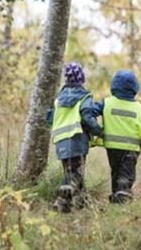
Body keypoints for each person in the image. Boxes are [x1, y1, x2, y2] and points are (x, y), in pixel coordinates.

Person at [47, 62, 103, 213]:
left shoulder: (58, 100)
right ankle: (60, 201)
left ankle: (80, 204)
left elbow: (50, 119)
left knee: (71, 172)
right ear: (81, 79)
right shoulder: (84, 97)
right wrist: (99, 131)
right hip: (77, 141)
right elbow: (87, 117)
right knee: (75, 175)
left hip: (60, 143)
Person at [94, 70, 141, 204]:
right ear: (134, 88)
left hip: (112, 146)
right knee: (127, 172)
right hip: (131, 146)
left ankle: (116, 195)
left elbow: (92, 110)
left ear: (114, 86)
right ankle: (123, 190)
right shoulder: (139, 107)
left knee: (116, 170)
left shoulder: (107, 103)